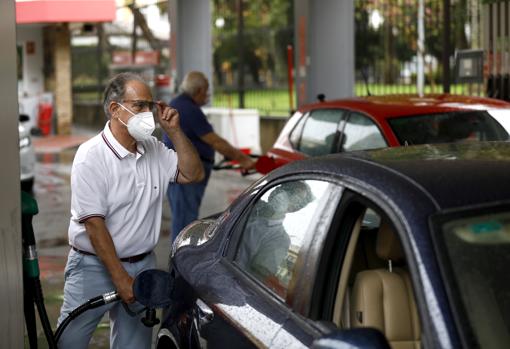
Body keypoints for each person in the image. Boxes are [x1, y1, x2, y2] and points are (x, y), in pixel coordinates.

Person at [57, 72, 204, 349]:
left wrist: (174, 131)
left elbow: (193, 173)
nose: (148, 113)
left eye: (150, 105)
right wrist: (120, 278)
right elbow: (94, 225)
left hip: (142, 266)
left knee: (134, 346)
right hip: (92, 267)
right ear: (115, 109)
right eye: (139, 106)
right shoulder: (91, 156)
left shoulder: (154, 149)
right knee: (69, 342)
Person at [163, 71, 255, 241]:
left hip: (184, 172)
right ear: (198, 91)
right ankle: (180, 263)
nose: (207, 95)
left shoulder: (181, 104)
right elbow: (215, 141)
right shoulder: (189, 109)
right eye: (206, 91)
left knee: (183, 217)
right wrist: (243, 159)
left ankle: (179, 260)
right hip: (186, 174)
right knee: (185, 222)